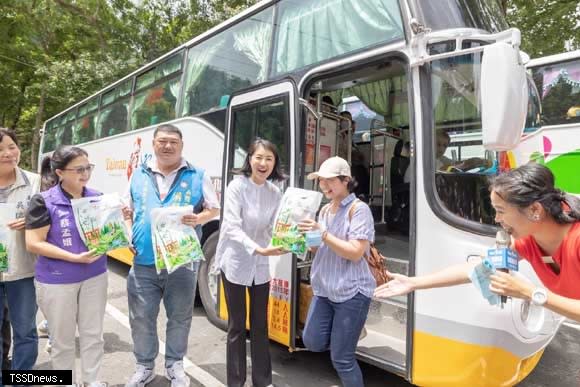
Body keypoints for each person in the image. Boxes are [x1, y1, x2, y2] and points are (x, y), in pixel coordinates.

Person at [374, 163, 580, 322]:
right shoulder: (528, 241)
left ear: (535, 210)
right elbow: (478, 268)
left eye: (501, 211)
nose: (497, 220)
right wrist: (414, 283)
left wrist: (529, 292)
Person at [124, 124, 220, 387]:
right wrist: (128, 234)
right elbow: (128, 211)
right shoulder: (138, 175)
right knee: (141, 317)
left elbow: (213, 208)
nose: (167, 146)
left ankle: (175, 365)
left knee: (179, 316)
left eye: (173, 142)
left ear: (181, 145)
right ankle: (144, 366)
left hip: (182, 262)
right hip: (144, 262)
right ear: (153, 143)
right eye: (162, 141)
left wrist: (198, 218)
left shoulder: (198, 175)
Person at [25, 146, 107, 387]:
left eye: (88, 168)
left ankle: (92, 380)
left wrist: (117, 221)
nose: (85, 174)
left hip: (95, 276)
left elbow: (106, 235)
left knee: (93, 335)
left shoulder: (97, 197)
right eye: (79, 169)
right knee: (62, 339)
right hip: (57, 280)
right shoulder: (43, 201)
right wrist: (74, 258)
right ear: (60, 172)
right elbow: (34, 243)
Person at [298, 156, 376, 387]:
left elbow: (355, 252)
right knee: (311, 340)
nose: (324, 185)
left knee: (342, 359)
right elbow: (316, 248)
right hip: (325, 289)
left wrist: (323, 234)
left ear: (346, 181)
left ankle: (347, 334)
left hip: (352, 291)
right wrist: (304, 237)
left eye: (330, 180)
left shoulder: (359, 210)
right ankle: (349, 332)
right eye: (321, 180)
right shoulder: (323, 212)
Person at [216, 138, 287, 387]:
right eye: (259, 157)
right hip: (235, 262)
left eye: (269, 158)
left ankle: (263, 381)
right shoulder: (237, 187)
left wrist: (286, 239)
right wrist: (257, 247)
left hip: (261, 266)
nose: (263, 163)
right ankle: (235, 382)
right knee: (237, 325)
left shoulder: (275, 192)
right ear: (249, 159)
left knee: (260, 324)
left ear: (274, 163)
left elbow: (273, 226)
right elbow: (231, 227)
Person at [0, 128, 40, 382]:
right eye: (0, 149)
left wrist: (34, 221)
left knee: (25, 330)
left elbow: (55, 218)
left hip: (24, 270)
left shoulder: (35, 182)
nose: (7, 154)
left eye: (12, 147)